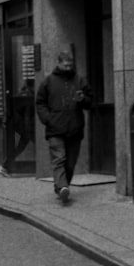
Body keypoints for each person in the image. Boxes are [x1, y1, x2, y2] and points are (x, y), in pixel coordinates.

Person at [35, 51, 92, 204]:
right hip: (55, 128)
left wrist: (83, 100)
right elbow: (40, 103)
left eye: (70, 65)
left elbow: (91, 102)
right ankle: (62, 187)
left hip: (75, 128)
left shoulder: (79, 81)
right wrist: (48, 119)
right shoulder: (48, 82)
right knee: (59, 159)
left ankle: (60, 186)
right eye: (65, 65)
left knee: (70, 162)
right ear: (58, 63)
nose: (68, 68)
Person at [0, 82, 35, 177]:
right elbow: (26, 115)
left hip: (13, 124)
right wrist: (28, 130)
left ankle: (4, 166)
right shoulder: (29, 97)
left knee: (20, 146)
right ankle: (4, 166)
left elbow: (8, 110)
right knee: (36, 145)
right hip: (22, 125)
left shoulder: (19, 95)